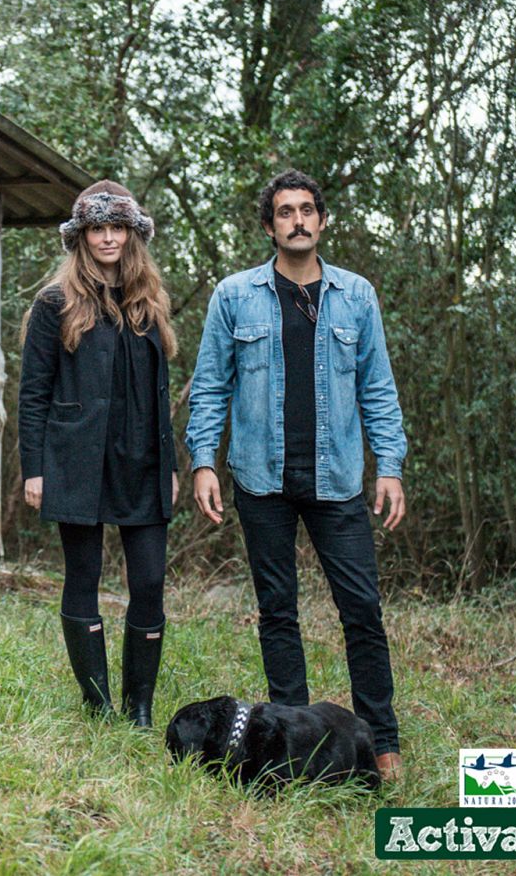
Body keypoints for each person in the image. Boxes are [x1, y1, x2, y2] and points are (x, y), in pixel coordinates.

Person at [185, 169, 408, 779]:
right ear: (269, 226)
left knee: (361, 608)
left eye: (307, 209)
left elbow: (377, 388)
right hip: (261, 479)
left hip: (339, 479)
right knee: (277, 611)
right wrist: (203, 460)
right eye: (285, 212)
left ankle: (379, 742)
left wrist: (389, 466)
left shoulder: (356, 296)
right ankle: (295, 741)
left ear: (323, 220)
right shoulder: (235, 296)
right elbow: (209, 387)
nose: (298, 220)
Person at [19, 180, 179, 728]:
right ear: (81, 236)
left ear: (132, 235)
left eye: (117, 227)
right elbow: (33, 391)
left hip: (143, 462)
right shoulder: (54, 302)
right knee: (82, 575)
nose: (108, 237)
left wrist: (173, 466)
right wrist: (34, 469)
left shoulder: (148, 302)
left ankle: (138, 707)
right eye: (97, 228)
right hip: (76, 461)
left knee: (151, 579)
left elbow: (162, 395)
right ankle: (99, 706)